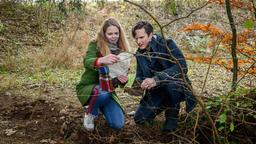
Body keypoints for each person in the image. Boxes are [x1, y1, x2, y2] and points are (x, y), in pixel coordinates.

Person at [131, 21, 196, 132]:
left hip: (176, 86)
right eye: (136, 38)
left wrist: (157, 79)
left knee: (171, 85)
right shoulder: (139, 53)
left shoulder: (167, 43)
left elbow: (182, 67)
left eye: (141, 37)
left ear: (151, 34)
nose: (139, 41)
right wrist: (140, 83)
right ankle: (164, 104)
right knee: (140, 119)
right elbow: (139, 75)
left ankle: (172, 115)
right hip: (156, 91)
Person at [76, 18, 131, 131]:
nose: (113, 36)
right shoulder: (95, 44)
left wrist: (121, 80)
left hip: (108, 89)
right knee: (103, 93)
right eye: (110, 33)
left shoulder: (122, 50)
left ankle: (98, 105)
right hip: (89, 88)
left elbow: (117, 79)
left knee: (118, 124)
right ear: (104, 34)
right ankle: (90, 113)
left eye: (116, 33)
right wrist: (101, 60)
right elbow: (87, 61)